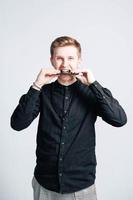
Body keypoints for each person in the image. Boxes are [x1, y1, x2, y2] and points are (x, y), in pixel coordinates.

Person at [10, 36, 127, 200]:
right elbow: (17, 123)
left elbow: (119, 119)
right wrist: (37, 85)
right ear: (52, 60)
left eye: (71, 58)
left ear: (79, 60)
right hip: (44, 184)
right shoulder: (42, 92)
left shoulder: (92, 92)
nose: (65, 64)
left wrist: (94, 84)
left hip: (81, 186)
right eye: (59, 58)